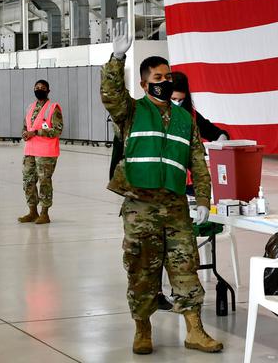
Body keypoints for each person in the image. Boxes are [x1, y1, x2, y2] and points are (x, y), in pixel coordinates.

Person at [101, 21, 223, 355]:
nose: (165, 83)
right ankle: (142, 329)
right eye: (158, 78)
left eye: (168, 77)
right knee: (142, 268)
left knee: (186, 266)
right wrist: (116, 58)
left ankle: (194, 331)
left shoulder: (185, 118)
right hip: (140, 206)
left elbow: (197, 160)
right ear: (144, 84)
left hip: (174, 205)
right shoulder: (132, 111)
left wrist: (202, 199)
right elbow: (111, 95)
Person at [17, 80, 64, 225]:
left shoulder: (53, 108)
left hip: (46, 153)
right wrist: (25, 133)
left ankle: (44, 213)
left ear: (48, 91)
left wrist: (36, 132)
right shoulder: (30, 107)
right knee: (28, 181)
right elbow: (26, 126)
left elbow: (57, 130)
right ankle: (32, 212)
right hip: (30, 150)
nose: (39, 90)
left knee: (44, 182)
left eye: (42, 88)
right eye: (36, 88)